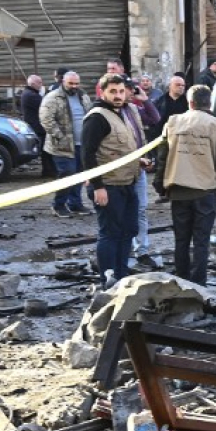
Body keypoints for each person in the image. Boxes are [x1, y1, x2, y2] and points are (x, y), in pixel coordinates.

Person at [156, 84, 216, 286]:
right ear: (209, 103)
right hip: (204, 190)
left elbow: (162, 155)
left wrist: (160, 184)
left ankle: (180, 281)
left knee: (181, 239)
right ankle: (198, 284)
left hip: (178, 188)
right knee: (201, 240)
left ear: (190, 102)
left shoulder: (173, 122)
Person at [81, 74, 146, 286]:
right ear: (102, 92)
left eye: (120, 91)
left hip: (127, 183)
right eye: (113, 92)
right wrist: (98, 187)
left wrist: (139, 161)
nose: (118, 96)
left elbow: (119, 148)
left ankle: (121, 274)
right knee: (109, 234)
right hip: (108, 186)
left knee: (128, 230)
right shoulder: (97, 117)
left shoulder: (122, 113)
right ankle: (107, 280)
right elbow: (87, 155)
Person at [39, 70, 93, 217]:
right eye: (71, 83)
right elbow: (46, 120)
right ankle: (58, 205)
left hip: (81, 144)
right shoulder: (52, 98)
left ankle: (75, 204)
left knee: (80, 175)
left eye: (77, 83)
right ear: (63, 81)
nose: (74, 86)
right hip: (62, 146)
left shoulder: (83, 96)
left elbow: (90, 114)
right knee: (67, 174)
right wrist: (60, 136)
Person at [125, 78, 162, 270]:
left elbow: (155, 119)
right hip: (119, 171)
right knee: (122, 212)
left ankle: (142, 251)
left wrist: (145, 100)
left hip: (138, 168)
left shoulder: (133, 109)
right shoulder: (105, 114)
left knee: (140, 210)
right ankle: (122, 254)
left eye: (131, 91)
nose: (128, 94)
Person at [19, 75, 54, 177]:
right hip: (36, 126)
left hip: (36, 125)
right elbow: (45, 105)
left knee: (45, 150)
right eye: (39, 83)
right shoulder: (31, 95)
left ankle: (48, 170)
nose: (41, 85)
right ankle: (48, 171)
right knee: (45, 150)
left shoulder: (30, 93)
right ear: (32, 84)